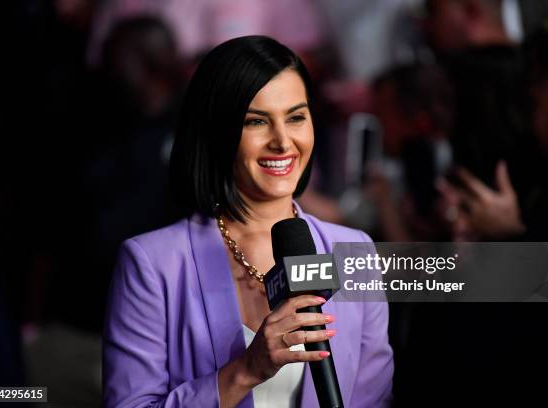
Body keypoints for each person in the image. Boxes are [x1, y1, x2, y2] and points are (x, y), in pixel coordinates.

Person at [103, 36, 393, 408]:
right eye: (257, 121)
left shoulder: (353, 252)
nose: (282, 141)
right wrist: (245, 371)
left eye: (296, 117)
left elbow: (374, 400)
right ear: (216, 133)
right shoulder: (151, 263)